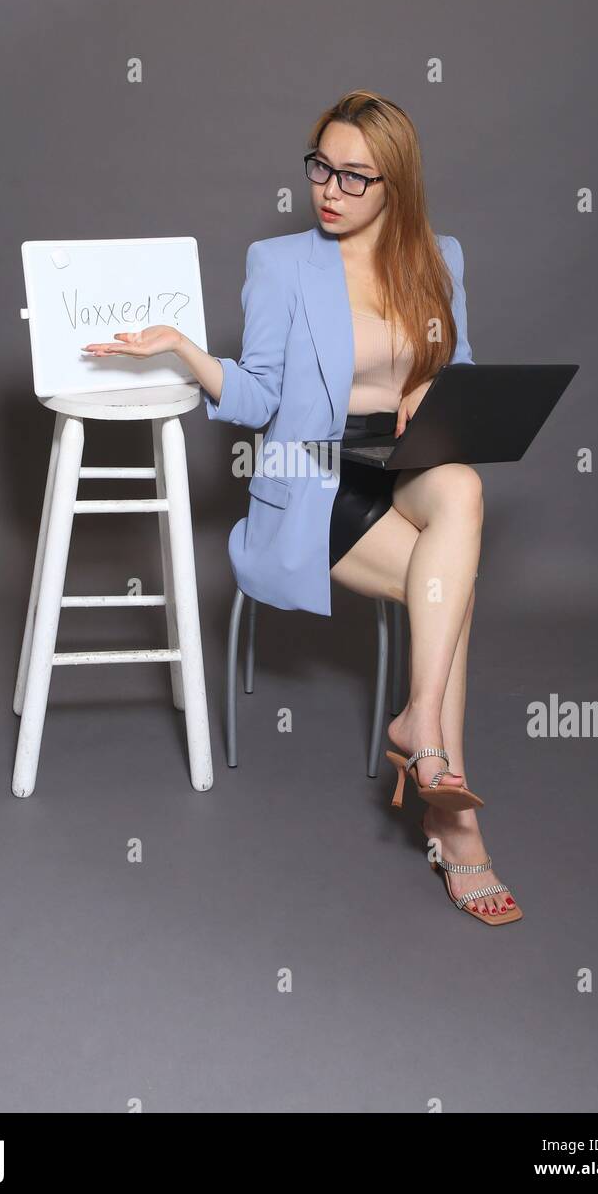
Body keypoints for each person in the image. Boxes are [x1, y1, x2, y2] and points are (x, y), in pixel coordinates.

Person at [83, 89, 522, 926]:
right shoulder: (280, 263)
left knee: (462, 485)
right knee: (452, 595)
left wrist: (432, 378)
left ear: (396, 184)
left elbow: (461, 367)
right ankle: (452, 815)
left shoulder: (440, 256)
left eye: (356, 176)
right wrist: (184, 351)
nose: (330, 189)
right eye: (321, 166)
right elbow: (256, 398)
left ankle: (419, 722)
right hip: (311, 472)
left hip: (406, 462)